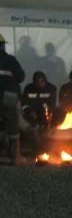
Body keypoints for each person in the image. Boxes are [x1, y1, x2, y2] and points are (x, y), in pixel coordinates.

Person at [0, 34, 25, 165]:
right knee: (12, 126)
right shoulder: (10, 60)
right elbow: (21, 77)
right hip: (10, 96)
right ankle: (15, 157)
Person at [21, 71, 57, 153]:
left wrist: (48, 114)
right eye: (37, 82)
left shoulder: (51, 88)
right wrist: (29, 111)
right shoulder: (28, 88)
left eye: (42, 81)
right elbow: (24, 104)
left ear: (45, 81)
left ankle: (49, 146)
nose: (40, 84)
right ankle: (32, 146)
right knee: (29, 128)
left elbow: (52, 105)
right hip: (32, 114)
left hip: (46, 114)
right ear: (34, 82)